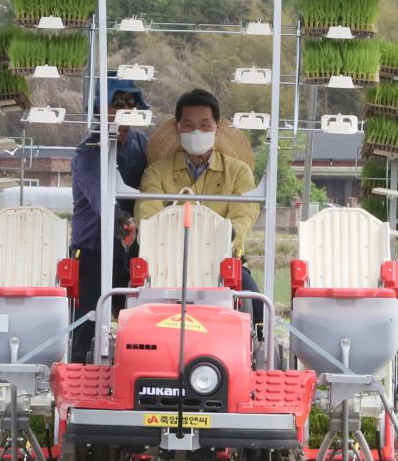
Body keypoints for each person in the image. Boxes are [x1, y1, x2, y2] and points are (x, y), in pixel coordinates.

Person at [134, 88, 264, 330]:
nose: (197, 131)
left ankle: (256, 350)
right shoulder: (156, 173)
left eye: (205, 125)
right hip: (165, 266)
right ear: (177, 127)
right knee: (128, 313)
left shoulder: (238, 172)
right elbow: (147, 216)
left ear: (217, 127)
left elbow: (243, 216)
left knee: (258, 311)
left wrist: (225, 240)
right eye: (189, 125)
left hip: (222, 267)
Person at [69, 77, 149, 364]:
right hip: (92, 250)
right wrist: (122, 219)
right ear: (101, 108)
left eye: (131, 103)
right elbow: (102, 197)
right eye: (118, 103)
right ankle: (79, 384)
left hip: (131, 249)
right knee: (88, 326)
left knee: (142, 328)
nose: (126, 108)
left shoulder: (141, 143)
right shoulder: (88, 151)